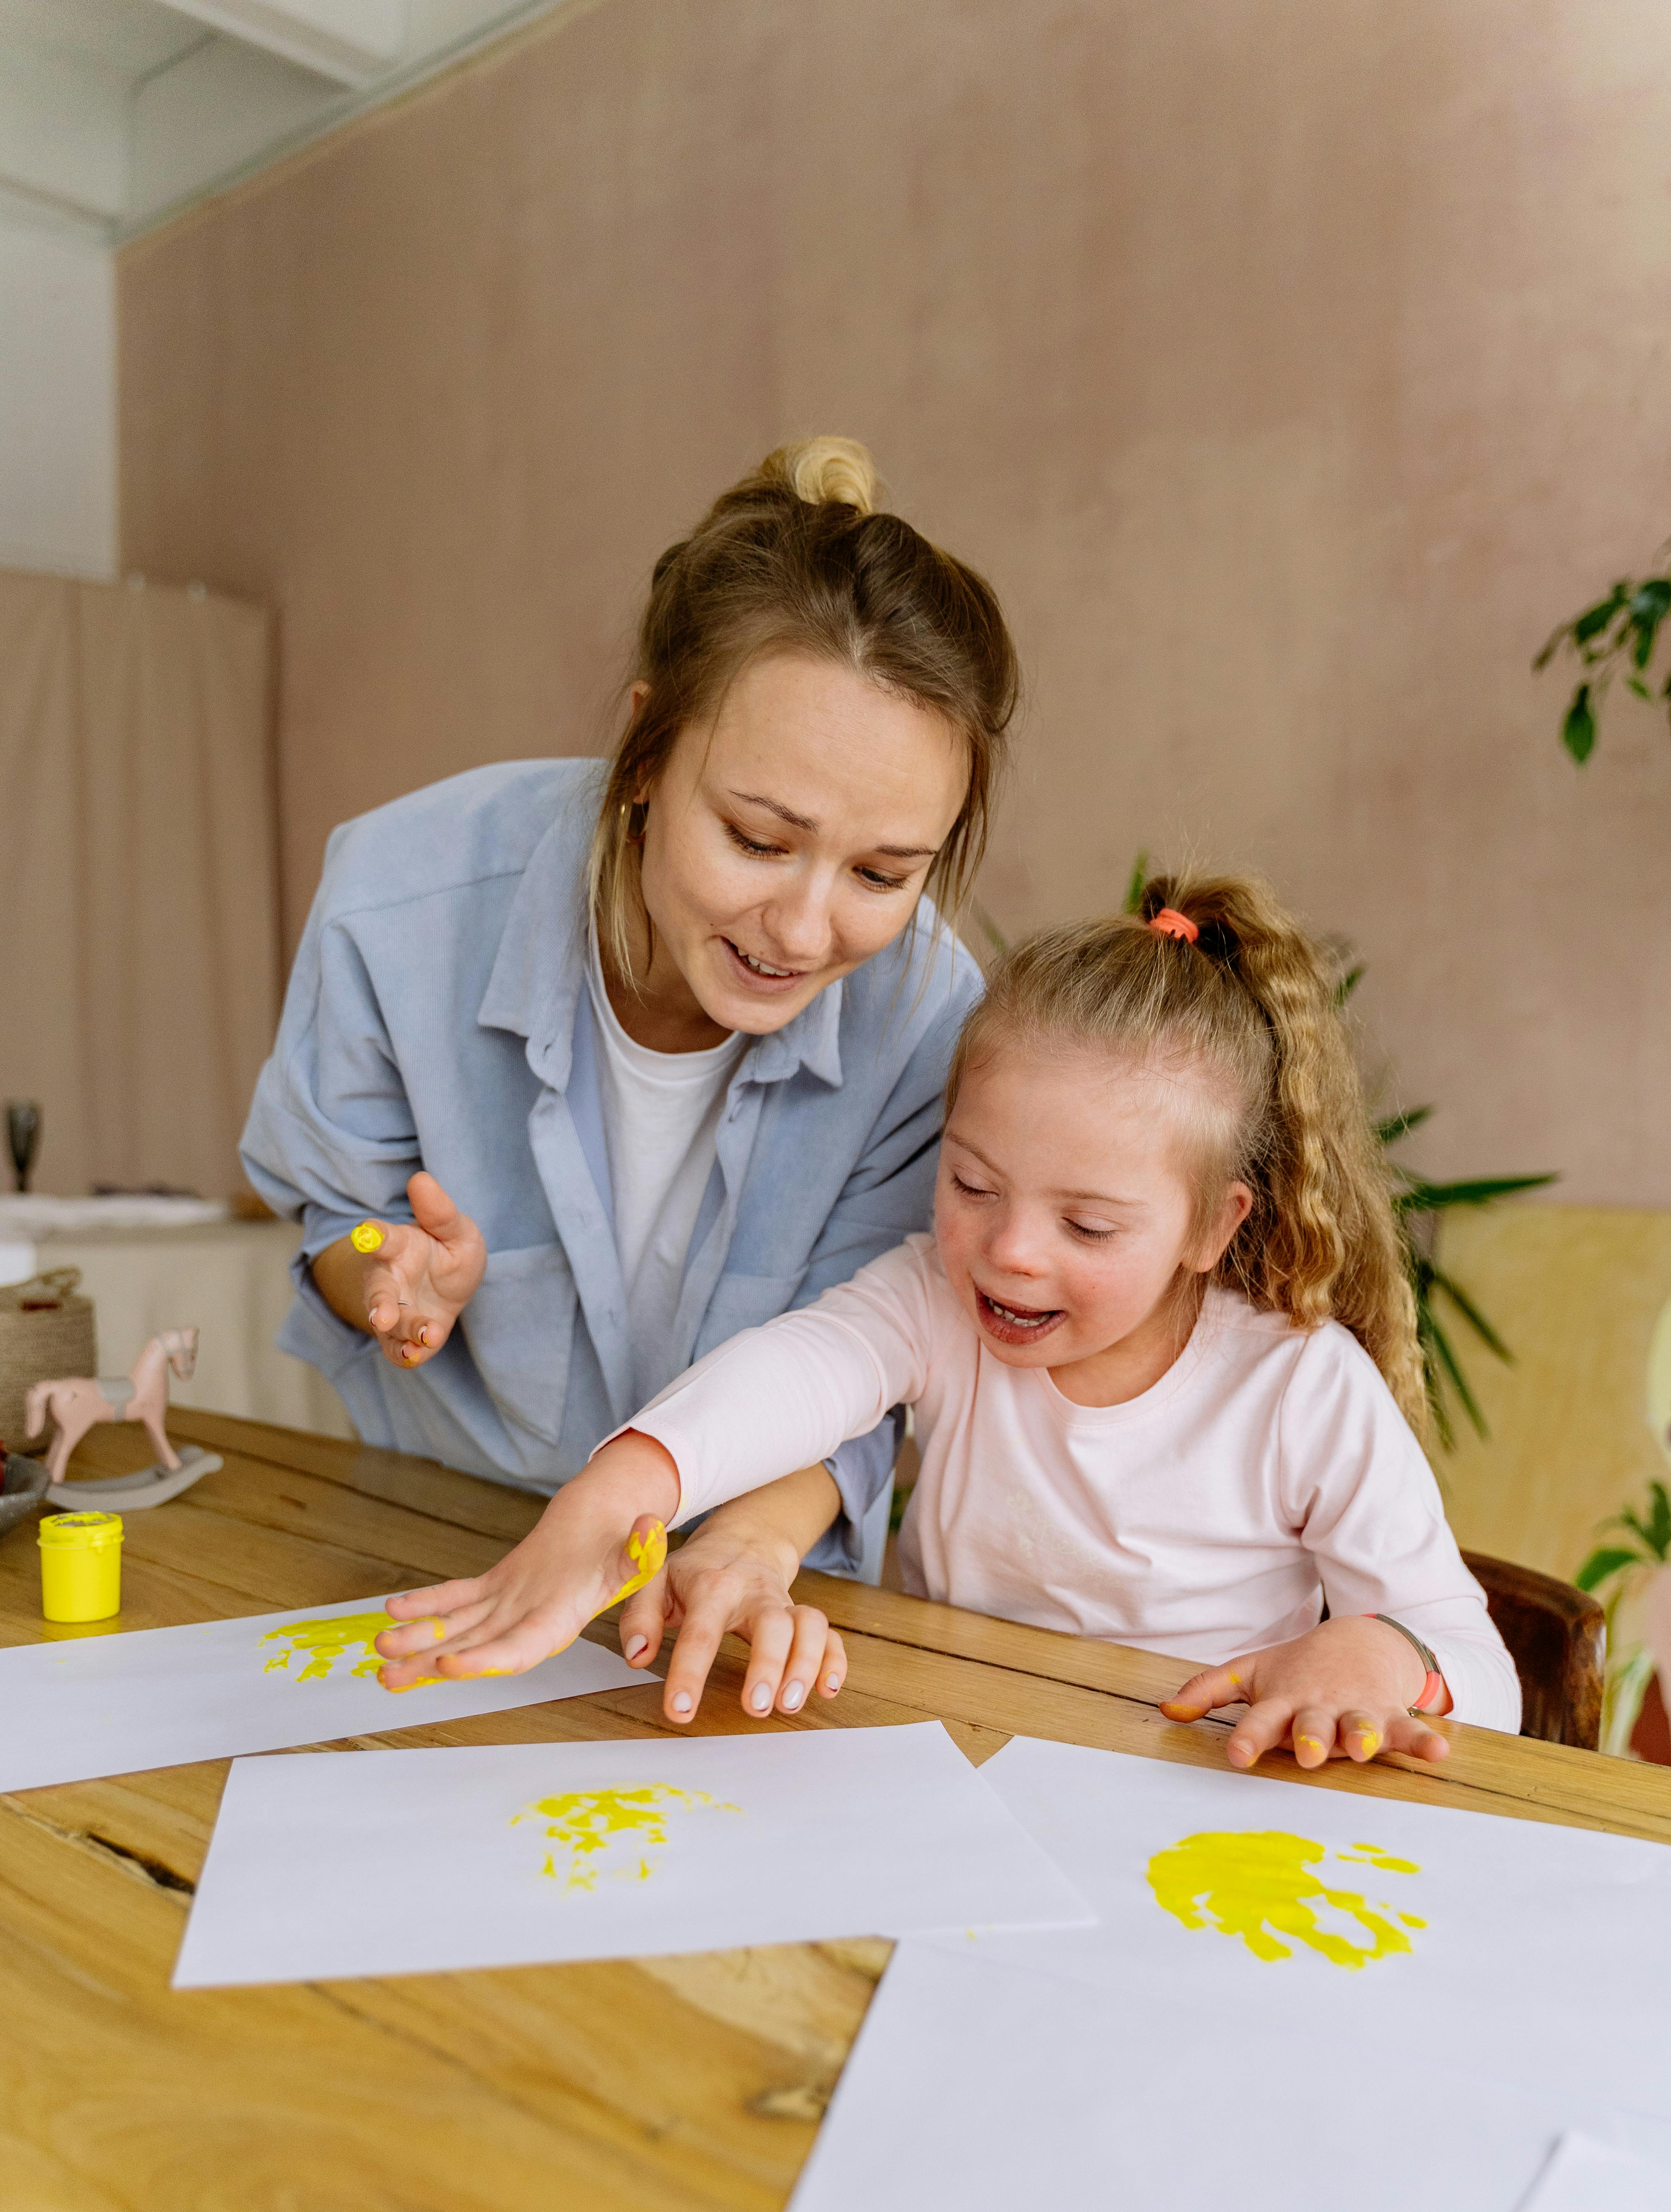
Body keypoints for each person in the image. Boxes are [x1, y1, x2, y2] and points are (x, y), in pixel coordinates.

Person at [373, 871, 1521, 1773]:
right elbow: (799, 1370)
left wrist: (1388, 1656)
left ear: (1211, 1229)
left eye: (1088, 1225)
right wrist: (624, 1487)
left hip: (1194, 1796)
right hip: (950, 1764)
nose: (1012, 1251)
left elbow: (1481, 1672)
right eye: (974, 1186)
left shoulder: (1297, 1388)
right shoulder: (938, 1300)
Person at [241, 437, 1018, 1698]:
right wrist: (391, 1277)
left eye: (883, 874)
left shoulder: (930, 1016)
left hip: (730, 1588)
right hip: (433, 1553)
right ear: (648, 758)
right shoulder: (400, 904)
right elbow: (340, 1215)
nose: (809, 929)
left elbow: (868, 1356)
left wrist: (755, 1548)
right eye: (761, 840)